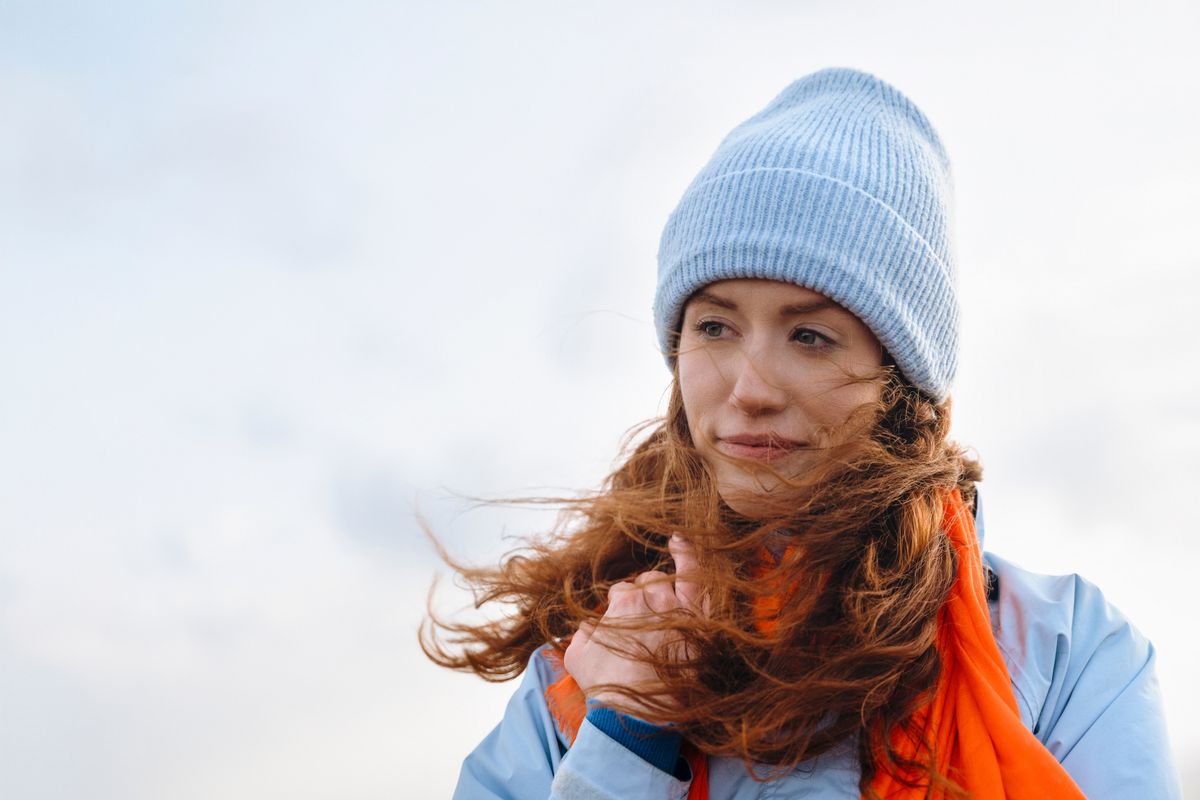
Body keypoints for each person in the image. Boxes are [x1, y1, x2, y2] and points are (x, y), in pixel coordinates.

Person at [422, 68, 1182, 799]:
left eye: (811, 336)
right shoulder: (590, 662)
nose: (751, 389)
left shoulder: (1070, 654)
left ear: (899, 381)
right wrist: (626, 739)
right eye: (715, 326)